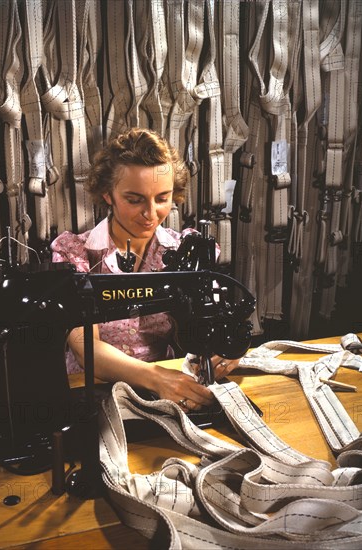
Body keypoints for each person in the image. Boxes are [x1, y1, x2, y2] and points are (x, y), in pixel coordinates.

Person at [51, 128, 239, 411]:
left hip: (169, 385)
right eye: (135, 200)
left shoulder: (183, 250)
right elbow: (85, 349)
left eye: (162, 199)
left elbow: (210, 319)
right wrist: (155, 378)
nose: (150, 214)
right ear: (107, 194)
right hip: (89, 388)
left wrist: (224, 350)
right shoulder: (75, 253)